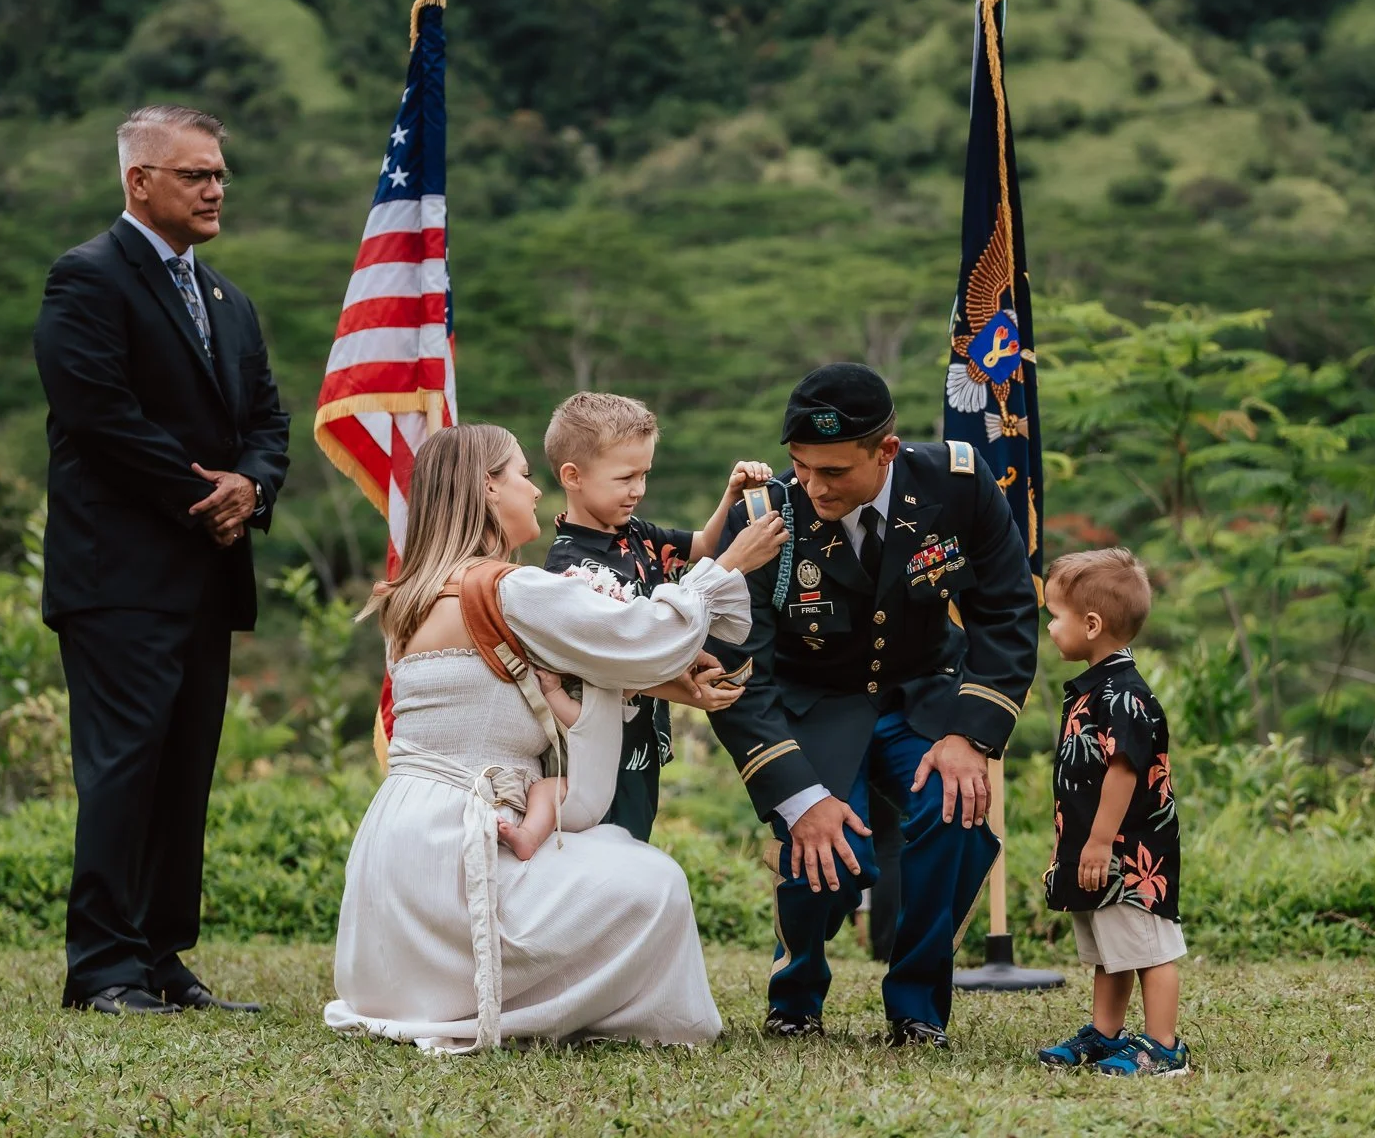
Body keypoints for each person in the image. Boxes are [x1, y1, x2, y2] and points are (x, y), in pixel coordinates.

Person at [324, 424, 788, 1052]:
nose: (535, 490)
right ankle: (595, 1014)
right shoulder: (510, 589)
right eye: (521, 474)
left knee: (615, 852)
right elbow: (639, 634)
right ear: (488, 489)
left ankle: (455, 984)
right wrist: (727, 566)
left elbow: (578, 669)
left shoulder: (412, 597)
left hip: (396, 859)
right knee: (653, 883)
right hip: (461, 855)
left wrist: (677, 684)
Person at [34, 104, 290, 1016]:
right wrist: (206, 495)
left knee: (185, 767)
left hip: (207, 577)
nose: (216, 187)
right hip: (119, 575)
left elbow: (268, 421)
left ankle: (160, 957)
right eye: (196, 174)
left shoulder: (228, 299)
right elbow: (99, 417)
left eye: (220, 173)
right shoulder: (87, 280)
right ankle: (100, 966)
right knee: (123, 766)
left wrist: (252, 487)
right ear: (139, 180)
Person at [704, 363, 1038, 1048]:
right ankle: (795, 991)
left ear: (885, 451)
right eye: (800, 466)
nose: (813, 486)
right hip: (815, 703)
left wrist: (970, 737)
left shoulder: (958, 485)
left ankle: (916, 1006)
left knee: (952, 814)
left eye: (833, 470)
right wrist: (799, 797)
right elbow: (740, 671)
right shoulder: (766, 517)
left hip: (923, 693)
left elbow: (1005, 612)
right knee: (829, 848)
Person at [541, 391, 773, 841]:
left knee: (636, 835)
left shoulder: (636, 533)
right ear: (573, 476)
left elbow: (703, 546)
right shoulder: (567, 571)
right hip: (598, 750)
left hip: (641, 741)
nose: (638, 490)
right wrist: (687, 694)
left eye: (645, 475)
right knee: (610, 852)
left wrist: (732, 496)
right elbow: (609, 667)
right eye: (625, 477)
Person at [1035, 548, 1188, 1076]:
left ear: (1092, 624)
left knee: (1149, 949)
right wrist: (1069, 851)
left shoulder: (1123, 695)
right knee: (1111, 950)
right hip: (1095, 851)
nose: (1051, 627)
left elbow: (1122, 774)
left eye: (1056, 616)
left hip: (1131, 856)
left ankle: (1164, 1048)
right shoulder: (1093, 689)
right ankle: (1105, 1034)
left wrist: (1099, 844)